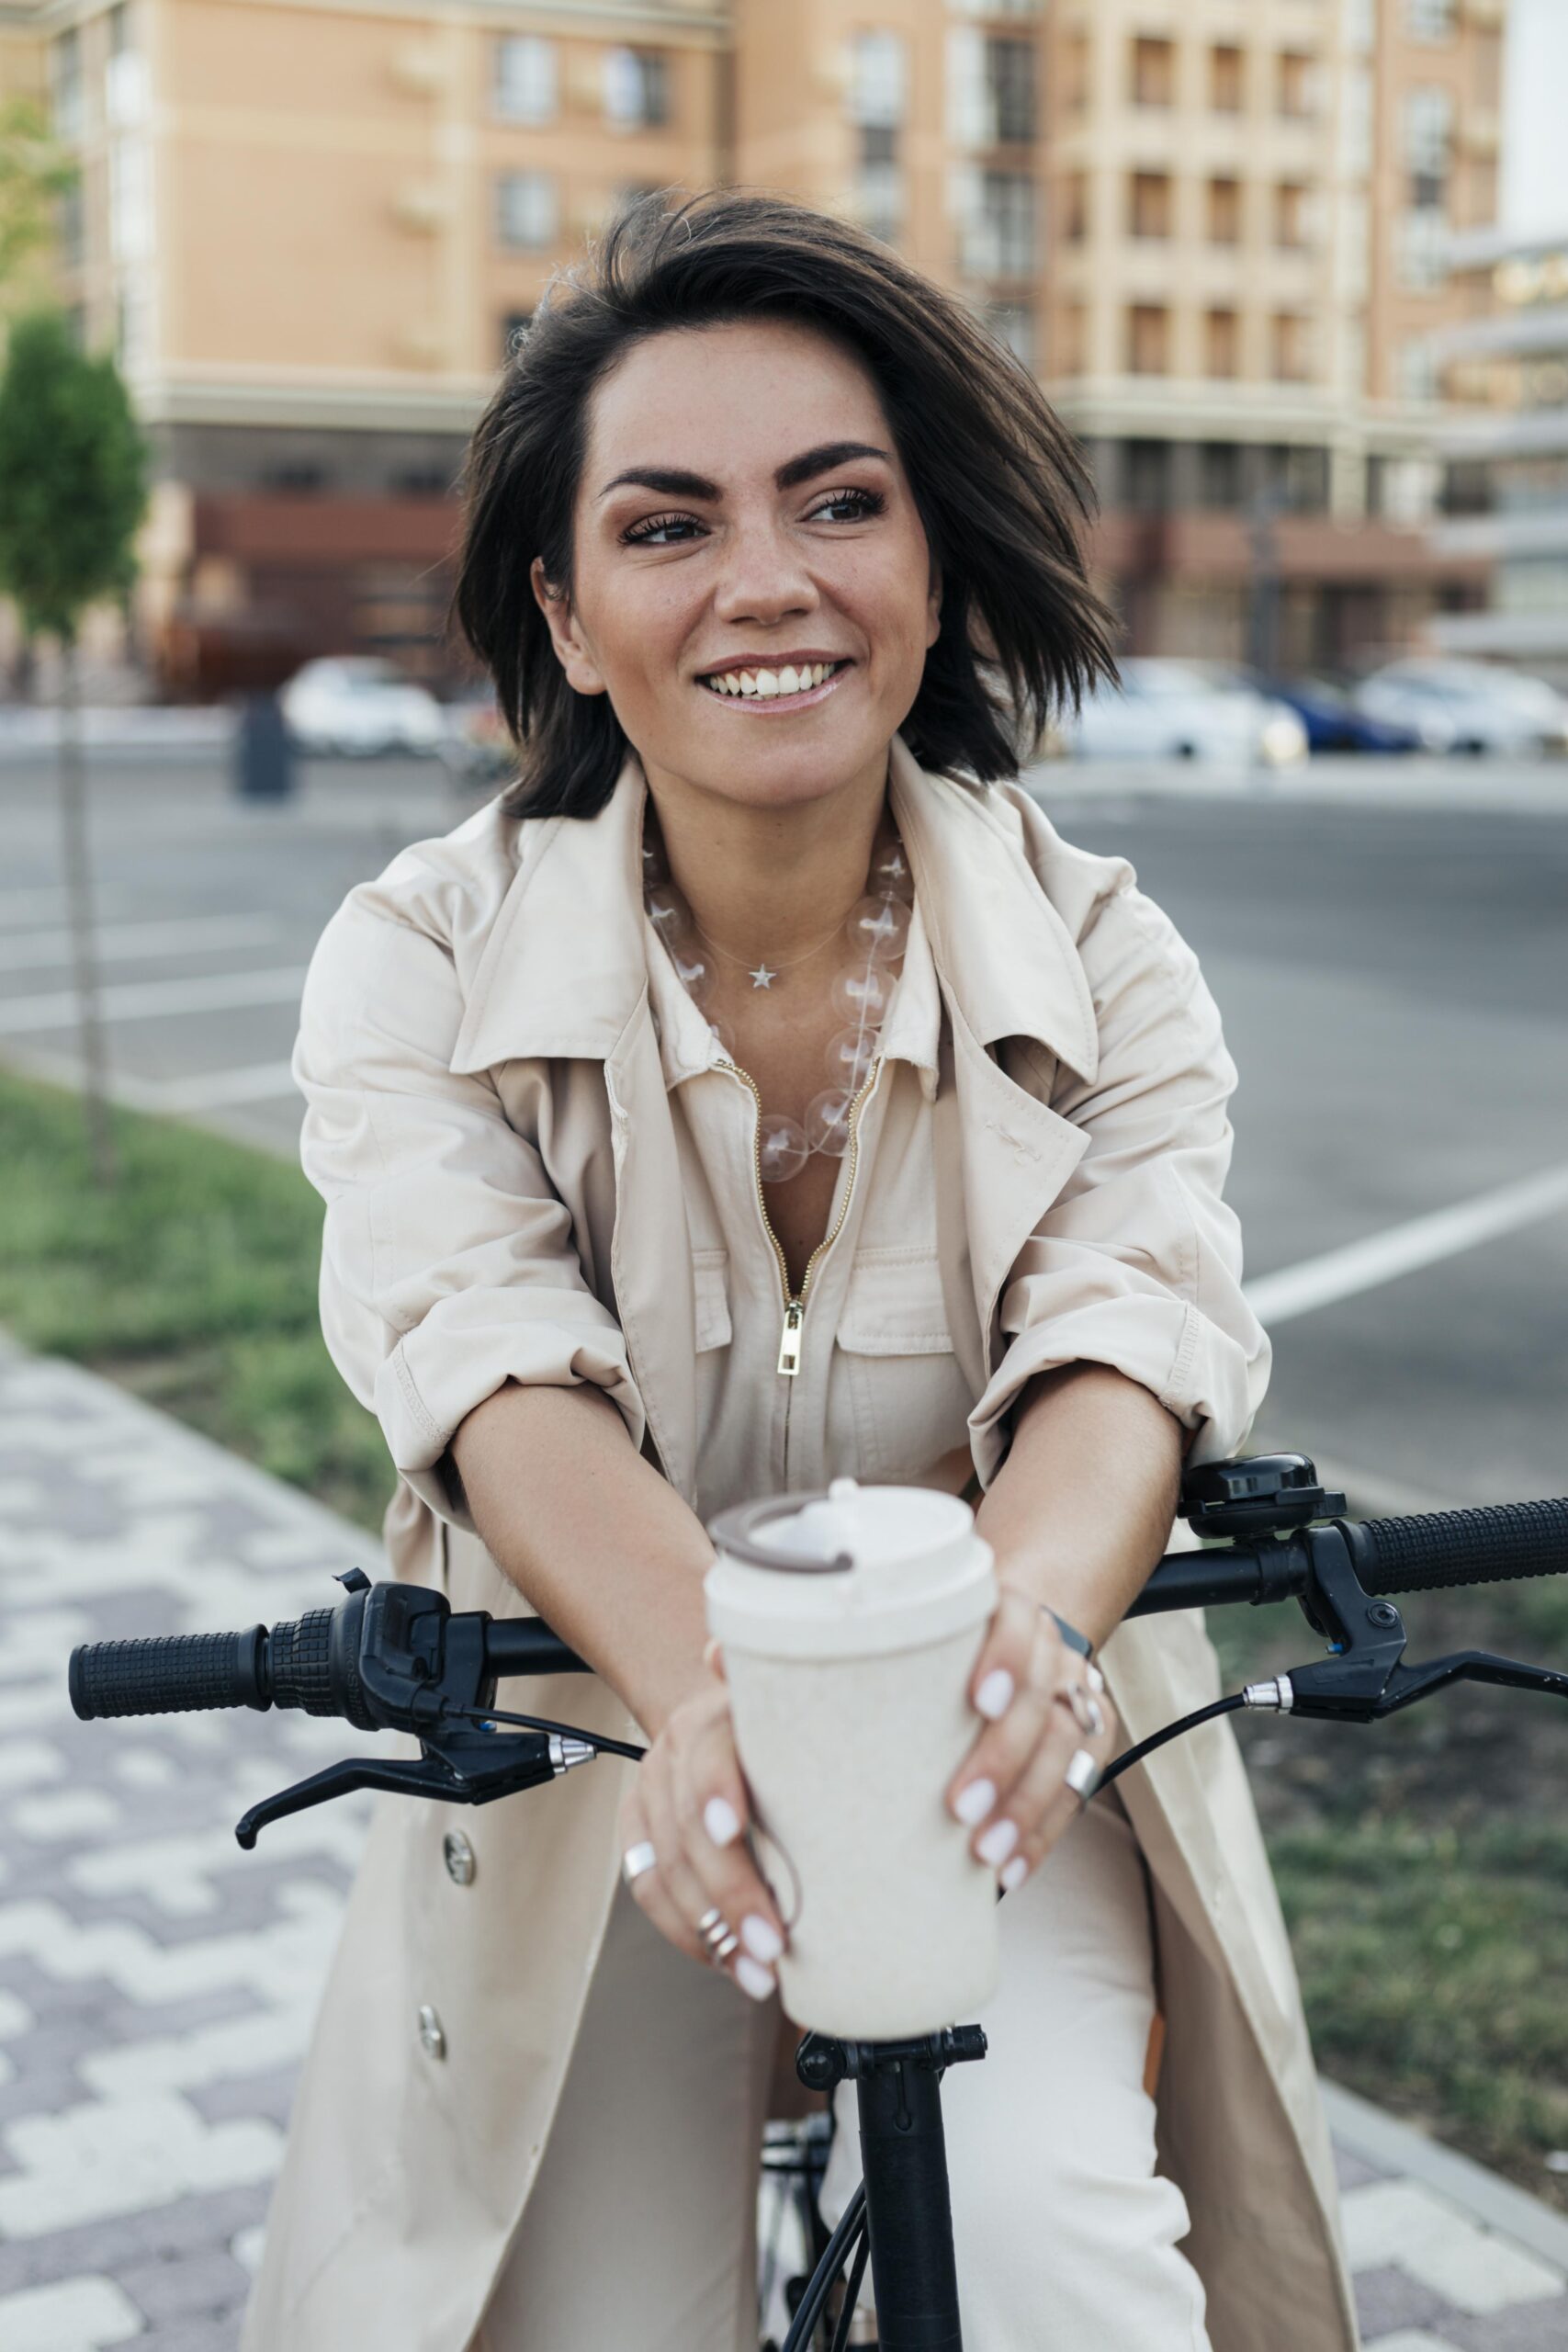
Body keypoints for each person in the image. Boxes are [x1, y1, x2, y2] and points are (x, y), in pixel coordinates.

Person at [241, 191, 1358, 2352]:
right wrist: (722, 1707)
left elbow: (1128, 1340)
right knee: (585, 2317)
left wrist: (1024, 1636)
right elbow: (490, 1370)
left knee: (1054, 2260)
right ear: (565, 618)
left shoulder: (1101, 949)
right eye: (666, 528)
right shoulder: (418, 953)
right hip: (594, 1758)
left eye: (835, 503)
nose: (764, 580)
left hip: (987, 1747)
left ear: (927, 569)